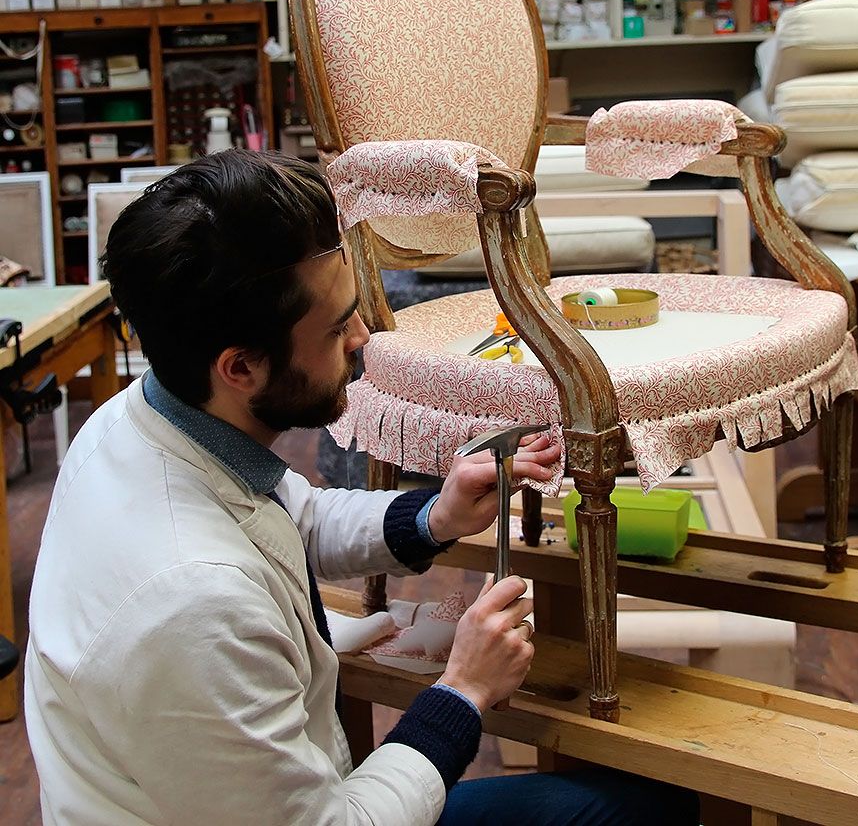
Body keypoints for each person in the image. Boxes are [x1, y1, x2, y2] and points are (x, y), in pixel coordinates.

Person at [25, 151, 700, 825]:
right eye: (335, 325)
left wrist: (435, 516)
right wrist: (462, 693)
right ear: (241, 369)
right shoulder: (192, 609)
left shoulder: (143, 419)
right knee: (638, 814)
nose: (362, 336)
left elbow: (298, 518)